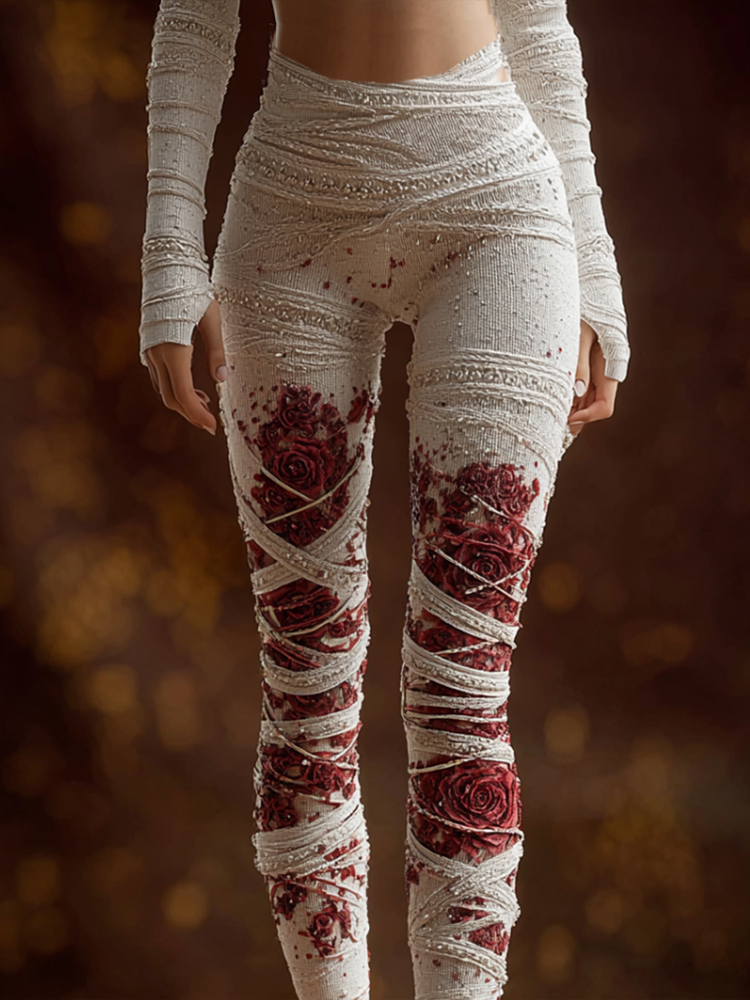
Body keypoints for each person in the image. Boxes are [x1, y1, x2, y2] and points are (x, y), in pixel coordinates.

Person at [139, 1, 631, 996]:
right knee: (307, 685)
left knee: (463, 684)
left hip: (500, 210)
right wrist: (167, 264)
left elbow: (538, 24)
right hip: (290, 217)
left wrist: (596, 266)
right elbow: (194, 23)